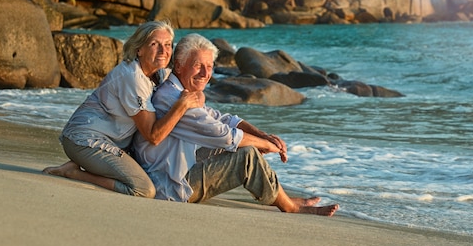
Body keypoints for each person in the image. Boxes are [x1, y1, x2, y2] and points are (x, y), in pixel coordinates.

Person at [133, 33, 339, 216]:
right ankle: (290, 207)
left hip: (176, 166)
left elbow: (223, 118)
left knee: (244, 145)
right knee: (246, 156)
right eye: (198, 66)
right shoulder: (171, 98)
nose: (205, 74)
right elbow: (224, 134)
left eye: (210, 67)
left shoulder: (180, 91)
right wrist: (266, 145)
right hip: (171, 187)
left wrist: (263, 135)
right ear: (178, 65)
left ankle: (282, 197)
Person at [43, 21, 203, 197]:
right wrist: (182, 105)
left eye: (167, 45)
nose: (163, 50)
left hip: (114, 142)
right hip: (85, 140)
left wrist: (197, 94)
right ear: (138, 49)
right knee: (144, 189)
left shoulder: (159, 73)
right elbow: (153, 136)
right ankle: (73, 172)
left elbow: (191, 85)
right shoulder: (132, 77)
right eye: (154, 44)